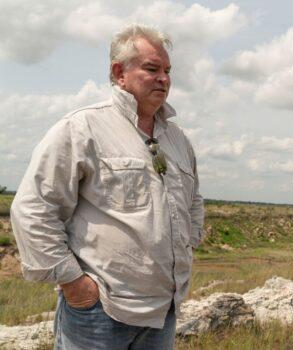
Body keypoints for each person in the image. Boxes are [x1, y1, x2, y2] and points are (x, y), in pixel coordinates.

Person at [10, 24, 204, 349]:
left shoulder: (177, 140)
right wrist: (74, 283)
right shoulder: (83, 128)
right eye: (152, 69)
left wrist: (188, 243)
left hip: (163, 313)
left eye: (168, 71)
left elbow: (193, 202)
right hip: (100, 314)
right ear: (119, 72)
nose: (164, 79)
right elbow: (34, 209)